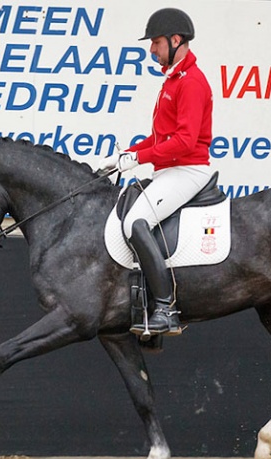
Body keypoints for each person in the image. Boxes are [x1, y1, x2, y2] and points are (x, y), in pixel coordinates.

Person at [98, 8, 214, 337]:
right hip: (171, 170)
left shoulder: (191, 82)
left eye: (156, 42)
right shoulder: (173, 79)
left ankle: (166, 308)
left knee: (136, 223)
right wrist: (127, 154)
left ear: (176, 40)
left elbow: (184, 141)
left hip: (188, 170)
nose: (152, 50)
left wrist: (138, 159)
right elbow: (162, 136)